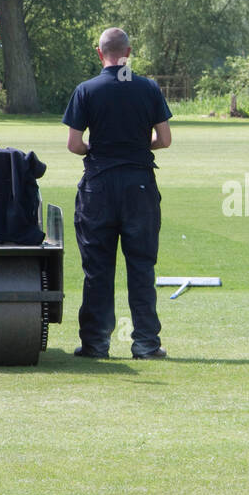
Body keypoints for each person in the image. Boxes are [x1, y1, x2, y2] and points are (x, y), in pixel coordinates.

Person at [63, 28, 172, 360]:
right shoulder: (148, 88)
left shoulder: (86, 90)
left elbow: (74, 145)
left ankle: (96, 343)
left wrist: (97, 146)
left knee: (97, 268)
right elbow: (164, 139)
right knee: (141, 266)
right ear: (129, 51)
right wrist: (139, 145)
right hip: (138, 185)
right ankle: (146, 344)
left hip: (98, 186)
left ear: (100, 53)